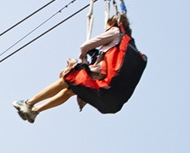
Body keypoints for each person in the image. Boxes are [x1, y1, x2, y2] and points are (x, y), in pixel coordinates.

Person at [13, 13, 144, 122]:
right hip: (106, 82)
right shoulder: (126, 43)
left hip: (98, 76)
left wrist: (81, 61)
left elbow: (85, 47)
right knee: (70, 91)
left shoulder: (114, 32)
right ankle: (35, 111)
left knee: (66, 79)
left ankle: (28, 104)